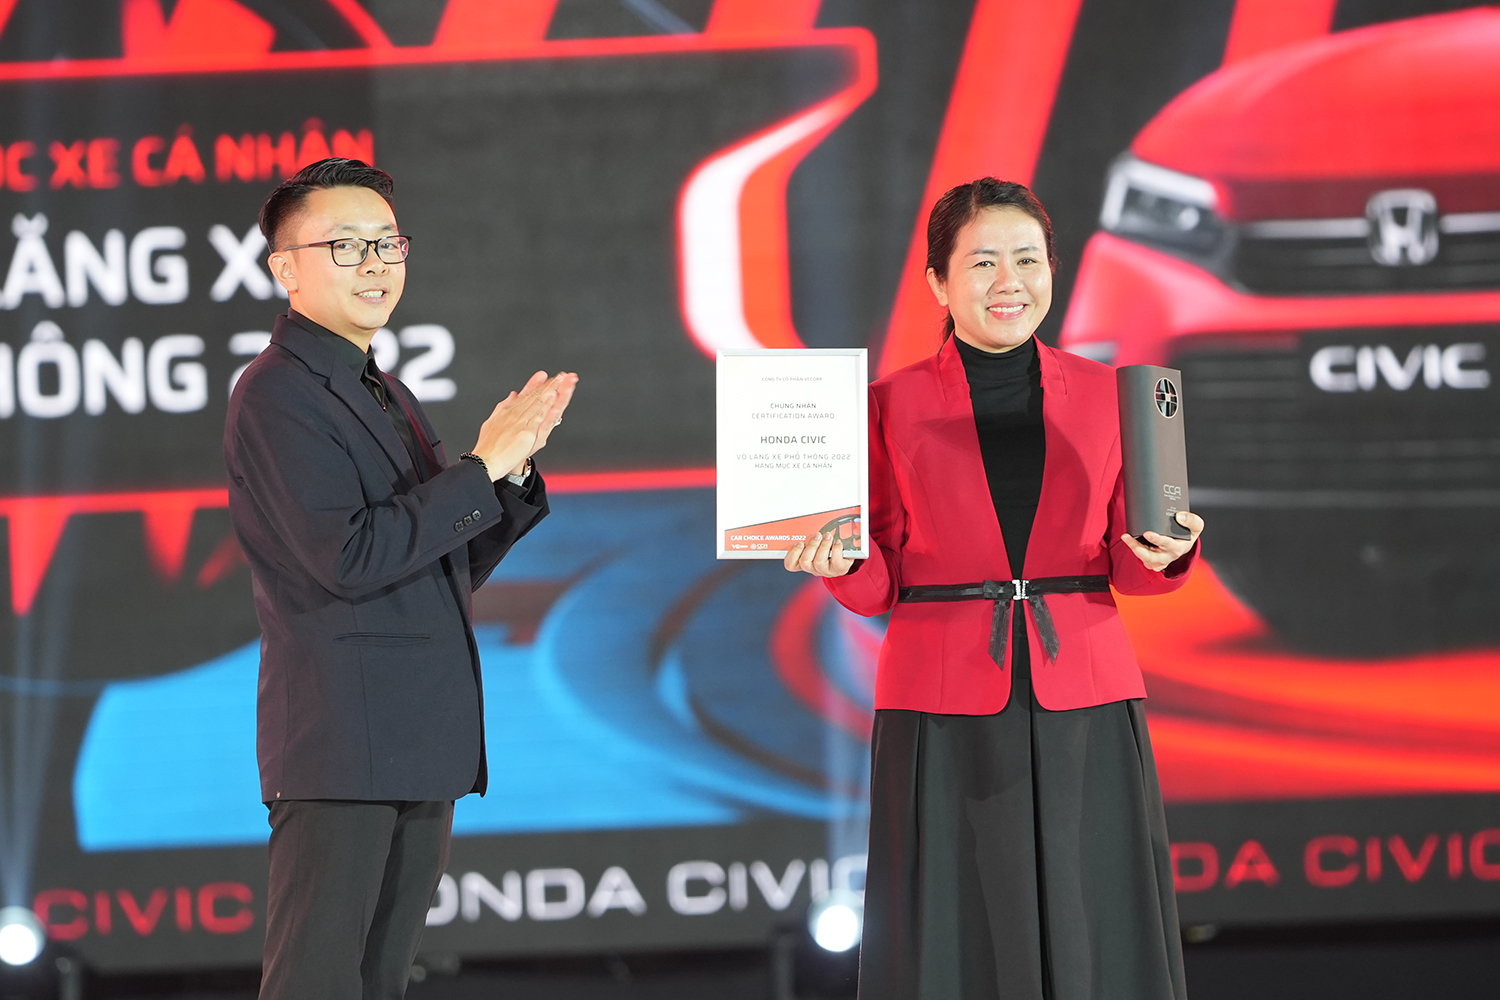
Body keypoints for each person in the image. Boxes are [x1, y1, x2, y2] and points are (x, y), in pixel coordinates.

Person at [785, 177, 1203, 1000]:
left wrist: (1168, 552)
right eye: (982, 262)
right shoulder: (883, 406)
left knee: (1097, 919)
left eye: (1027, 259)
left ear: (1052, 269)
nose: (1008, 281)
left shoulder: (1115, 395)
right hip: (942, 700)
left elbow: (1131, 568)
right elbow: (877, 585)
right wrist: (841, 566)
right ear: (939, 283)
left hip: (1085, 689)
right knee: (962, 931)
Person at [224, 157, 578, 1000]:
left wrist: (506, 477)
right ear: (285, 268)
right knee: (317, 983)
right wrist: (479, 467)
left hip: (415, 739)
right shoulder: (277, 393)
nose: (376, 263)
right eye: (346, 246)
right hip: (345, 743)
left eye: (387, 243)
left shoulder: (383, 388)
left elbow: (440, 565)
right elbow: (349, 557)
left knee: (377, 981)